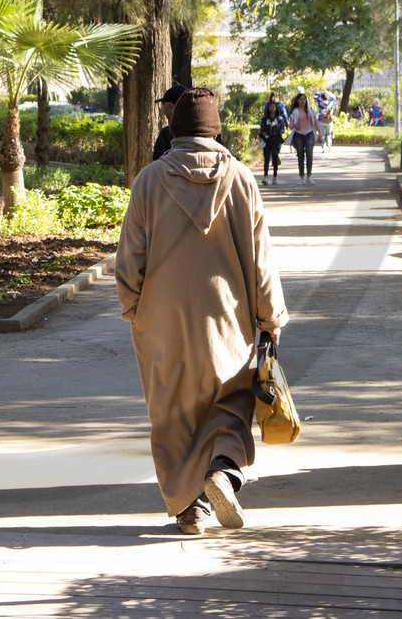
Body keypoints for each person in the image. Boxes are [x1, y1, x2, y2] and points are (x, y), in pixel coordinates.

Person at [115, 87, 289, 535]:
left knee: (173, 415)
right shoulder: (242, 179)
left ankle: (190, 508)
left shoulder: (149, 181)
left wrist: (134, 307)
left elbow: (130, 258)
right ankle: (223, 473)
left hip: (162, 320)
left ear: (175, 129)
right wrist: (270, 319)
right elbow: (261, 260)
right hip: (228, 319)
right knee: (229, 406)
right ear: (216, 130)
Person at [287, 91, 318, 185]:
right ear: (297, 101)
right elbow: (290, 125)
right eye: (300, 99)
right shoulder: (295, 112)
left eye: (304, 99)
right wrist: (294, 125)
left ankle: (309, 176)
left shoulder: (311, 110)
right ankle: (301, 177)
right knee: (300, 155)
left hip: (309, 134)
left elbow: (316, 122)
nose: (302, 101)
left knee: (309, 154)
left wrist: (320, 134)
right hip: (298, 135)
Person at [257, 90, 287, 184]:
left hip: (275, 140)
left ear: (276, 108)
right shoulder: (265, 119)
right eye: (270, 106)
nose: (272, 108)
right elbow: (263, 129)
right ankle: (265, 176)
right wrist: (266, 134)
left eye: (274, 106)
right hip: (267, 140)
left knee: (274, 158)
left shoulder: (279, 119)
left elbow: (279, 129)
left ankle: (275, 177)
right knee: (266, 159)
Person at [152, 84, 186, 161]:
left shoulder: (166, 133)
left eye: (164, 107)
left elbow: (157, 165)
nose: (164, 113)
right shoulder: (208, 133)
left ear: (171, 106)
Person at [314, 89, 335, 154]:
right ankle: (329, 145)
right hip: (329, 119)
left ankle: (323, 148)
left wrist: (320, 93)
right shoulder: (331, 102)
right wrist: (328, 93)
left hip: (321, 119)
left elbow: (315, 95)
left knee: (322, 134)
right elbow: (334, 97)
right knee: (328, 133)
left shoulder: (319, 103)